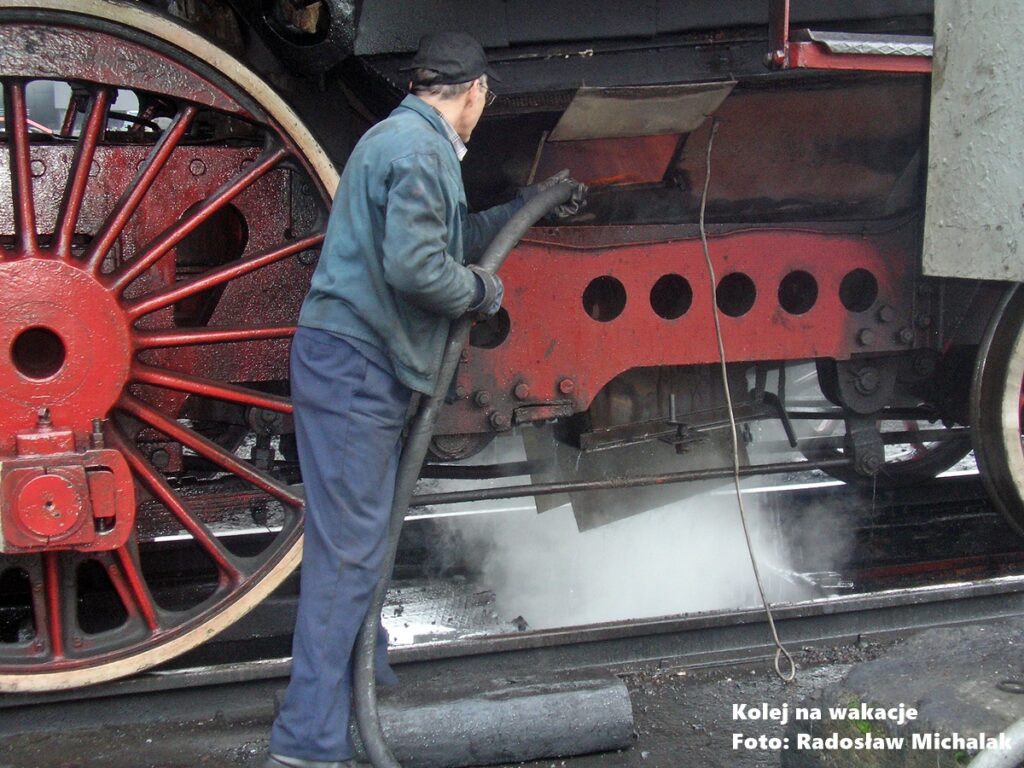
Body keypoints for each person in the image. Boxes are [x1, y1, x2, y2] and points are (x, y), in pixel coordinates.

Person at [264, 32, 585, 768]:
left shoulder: (401, 140)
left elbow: (447, 234)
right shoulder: (421, 151)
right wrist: (482, 289)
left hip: (353, 365)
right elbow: (417, 267)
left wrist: (526, 206)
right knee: (349, 555)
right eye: (485, 102)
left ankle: (357, 683)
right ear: (473, 93)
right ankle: (308, 745)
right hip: (356, 370)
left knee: (358, 544)